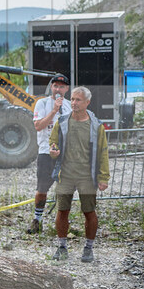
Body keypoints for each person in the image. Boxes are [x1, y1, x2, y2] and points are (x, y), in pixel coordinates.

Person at [48, 86, 110, 262]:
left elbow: (103, 152)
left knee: (89, 211)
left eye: (78, 100)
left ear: (87, 102)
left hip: (87, 176)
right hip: (65, 175)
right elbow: (53, 141)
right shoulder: (63, 121)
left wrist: (103, 177)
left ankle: (88, 249)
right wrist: (54, 150)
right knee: (62, 211)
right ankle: (61, 247)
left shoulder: (96, 126)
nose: (73, 103)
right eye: (72, 99)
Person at [27, 73, 71, 233]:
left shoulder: (70, 105)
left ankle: (63, 222)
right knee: (42, 189)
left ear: (66, 88)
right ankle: (37, 220)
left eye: (61, 86)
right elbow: (38, 126)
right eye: (55, 86)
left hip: (65, 154)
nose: (58, 89)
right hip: (46, 152)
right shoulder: (42, 103)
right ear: (51, 87)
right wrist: (53, 111)